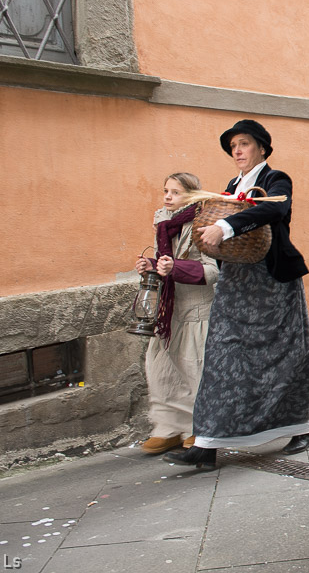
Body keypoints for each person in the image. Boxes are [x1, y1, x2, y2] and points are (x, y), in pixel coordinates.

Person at [164, 120, 309, 470]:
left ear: (261, 148)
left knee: (286, 354)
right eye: (233, 146)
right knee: (222, 354)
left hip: (273, 280)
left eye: (243, 144)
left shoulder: (276, 180)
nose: (237, 151)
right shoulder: (232, 186)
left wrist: (225, 226)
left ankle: (301, 428)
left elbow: (275, 209)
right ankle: (207, 443)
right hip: (236, 280)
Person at [136, 173, 218, 455]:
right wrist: (151, 265)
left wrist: (175, 269)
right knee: (160, 368)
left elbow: (213, 271)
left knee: (194, 369)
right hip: (170, 310)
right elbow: (165, 262)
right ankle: (168, 427)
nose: (167, 197)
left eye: (175, 192)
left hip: (197, 310)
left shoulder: (203, 224)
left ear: (192, 196)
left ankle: (201, 428)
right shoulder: (164, 225)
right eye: (165, 191)